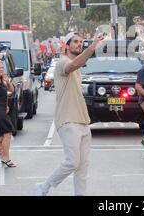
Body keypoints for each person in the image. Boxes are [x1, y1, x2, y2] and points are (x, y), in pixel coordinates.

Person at [36, 32, 105, 196]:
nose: (79, 44)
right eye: (75, 42)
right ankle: (44, 187)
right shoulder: (62, 63)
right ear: (66, 46)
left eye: (81, 42)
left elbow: (78, 65)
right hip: (67, 120)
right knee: (72, 162)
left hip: (82, 121)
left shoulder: (77, 68)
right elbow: (74, 65)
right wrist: (92, 46)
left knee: (82, 168)